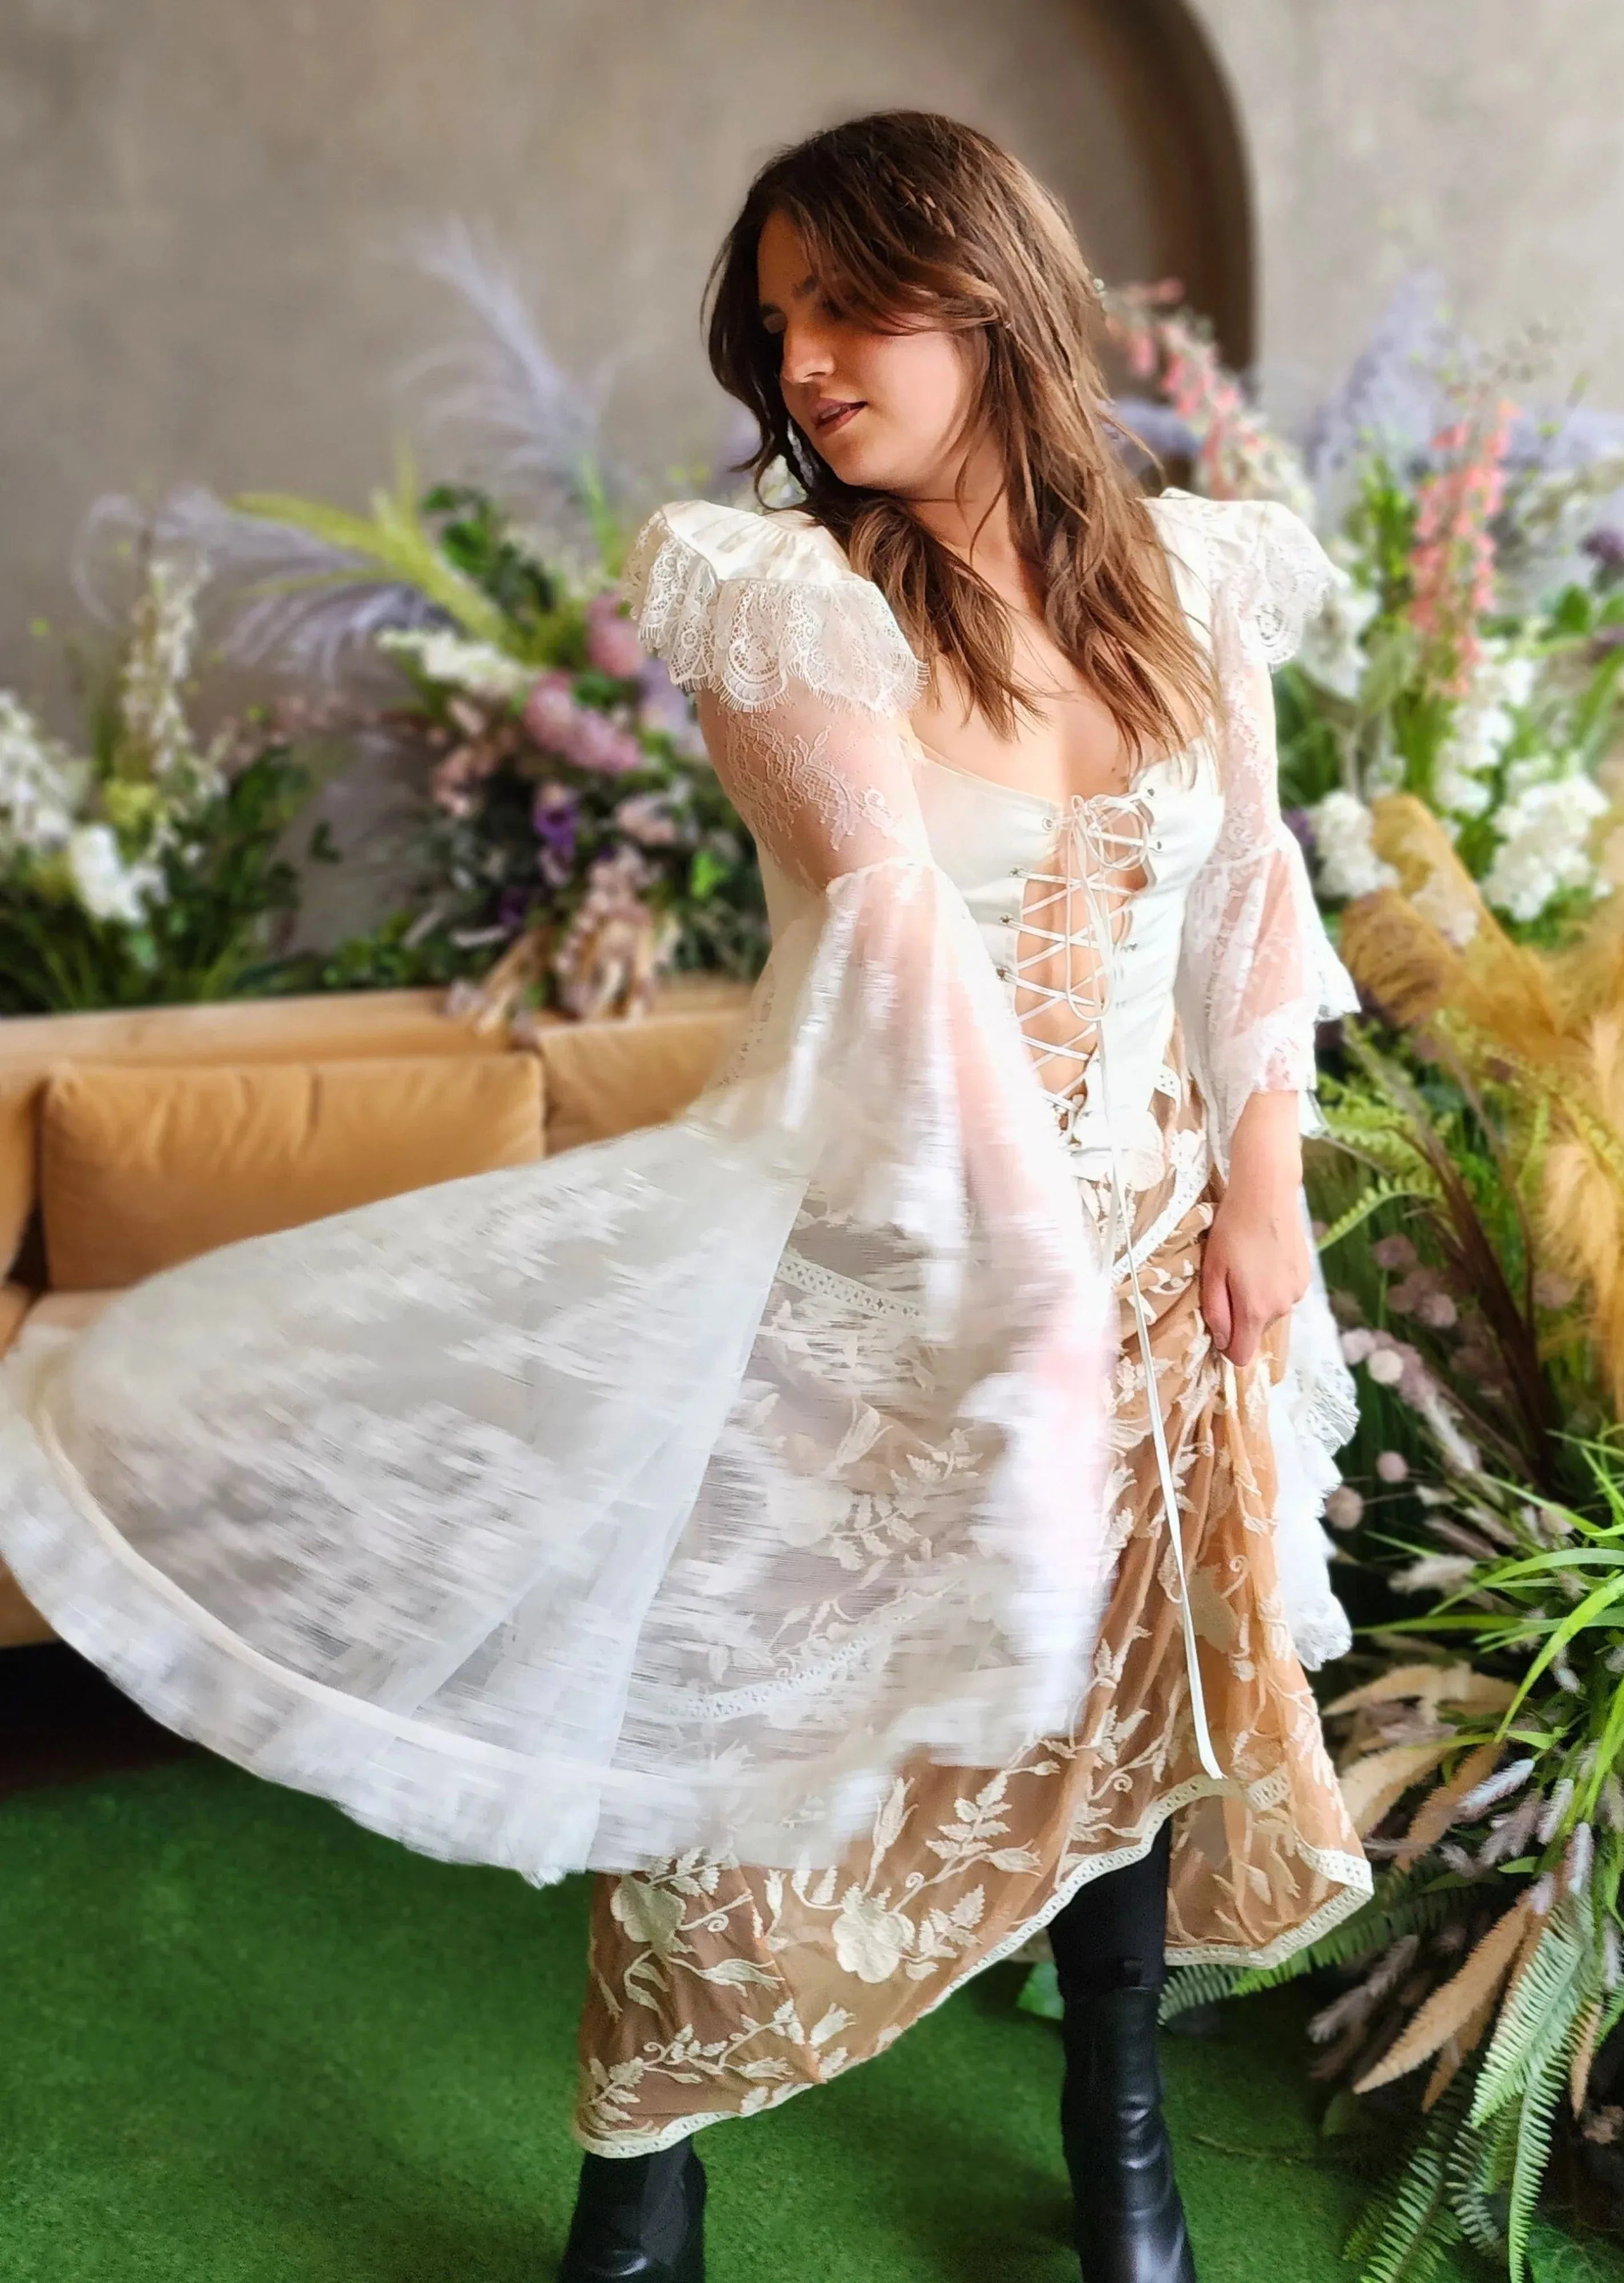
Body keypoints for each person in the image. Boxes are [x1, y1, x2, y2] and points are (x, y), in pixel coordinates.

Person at [0, 110, 1370, 2283]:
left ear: (991, 290)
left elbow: (1247, 909)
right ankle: (644, 2179)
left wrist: (1262, 1192)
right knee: (754, 1737)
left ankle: (1124, 2149)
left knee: (1147, 1711)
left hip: (1166, 1274)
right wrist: (1028, 1303)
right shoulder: (783, 598)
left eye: (850, 303)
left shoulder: (1198, 585)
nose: (805, 363)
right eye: (778, 322)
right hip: (880, 1273)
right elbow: (900, 941)